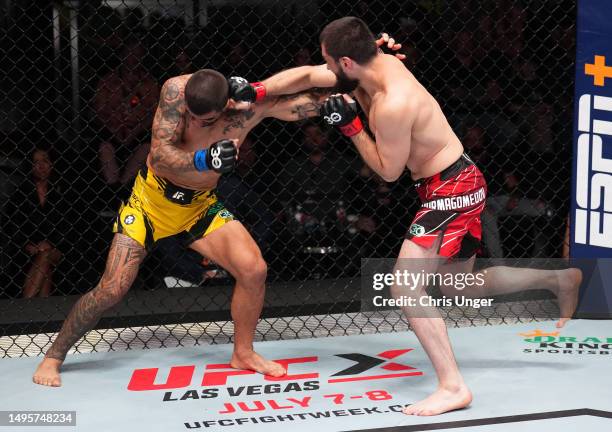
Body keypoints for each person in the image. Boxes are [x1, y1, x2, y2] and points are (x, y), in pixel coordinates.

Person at [31, 34, 405, 387]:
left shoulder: (243, 108)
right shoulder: (176, 92)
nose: (193, 124)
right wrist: (201, 155)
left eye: (205, 121)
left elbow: (289, 104)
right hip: (151, 204)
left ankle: (243, 353)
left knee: (254, 269)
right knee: (112, 289)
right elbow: (160, 154)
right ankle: (55, 354)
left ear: (227, 107)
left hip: (199, 207)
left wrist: (336, 103)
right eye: (191, 117)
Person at [266, 17, 582, 416]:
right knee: (460, 286)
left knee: (405, 286)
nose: (324, 71)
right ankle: (557, 279)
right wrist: (257, 90)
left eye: (330, 63)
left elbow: (387, 171)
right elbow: (311, 74)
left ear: (347, 62)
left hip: (451, 189)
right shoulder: (376, 63)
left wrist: (351, 128)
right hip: (454, 181)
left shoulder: (391, 103)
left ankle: (452, 386)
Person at [4, 146, 65, 298]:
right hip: (30, 250)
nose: (41, 166)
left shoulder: (62, 193)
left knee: (45, 255)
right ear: (30, 166)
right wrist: (28, 245)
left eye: (45, 161)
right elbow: (13, 227)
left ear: (52, 164)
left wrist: (51, 243)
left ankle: (26, 304)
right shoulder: (20, 195)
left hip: (59, 249)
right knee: (44, 263)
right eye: (36, 162)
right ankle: (43, 311)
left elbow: (68, 228)